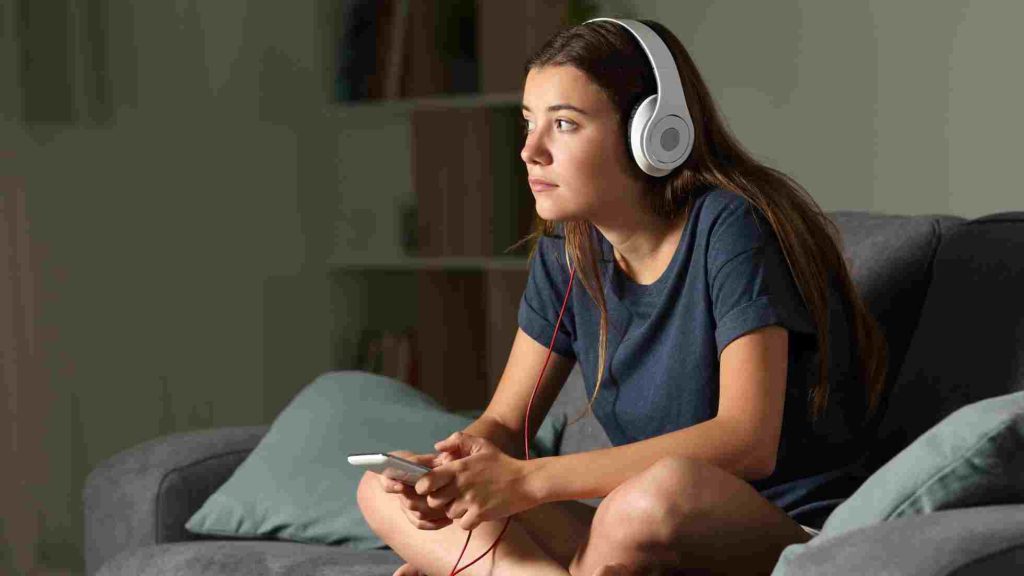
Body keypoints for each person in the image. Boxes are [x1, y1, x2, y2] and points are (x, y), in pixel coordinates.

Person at [357, 17, 889, 576]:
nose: (530, 151)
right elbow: (505, 426)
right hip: (630, 529)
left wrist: (528, 481)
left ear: (654, 134)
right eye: (528, 123)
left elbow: (745, 441)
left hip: (770, 528)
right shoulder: (567, 248)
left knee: (652, 496)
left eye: (563, 124)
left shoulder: (730, 226)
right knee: (380, 490)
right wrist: (453, 471)